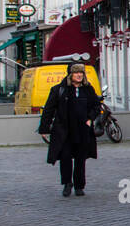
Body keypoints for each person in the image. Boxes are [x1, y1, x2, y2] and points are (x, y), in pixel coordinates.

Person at [38, 63, 100, 197]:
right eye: (76, 72)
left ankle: (79, 186)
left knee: (80, 158)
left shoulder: (88, 89)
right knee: (65, 157)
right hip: (64, 131)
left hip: (82, 130)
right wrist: (44, 129)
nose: (79, 75)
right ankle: (67, 183)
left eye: (81, 73)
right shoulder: (59, 90)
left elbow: (96, 106)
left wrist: (90, 119)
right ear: (70, 74)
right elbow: (49, 110)